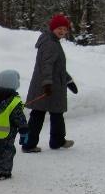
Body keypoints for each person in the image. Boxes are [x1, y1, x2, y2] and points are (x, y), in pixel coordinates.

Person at [23, 14, 78, 152]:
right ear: (53, 28)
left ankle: (55, 141)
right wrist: (47, 84)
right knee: (41, 115)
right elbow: (47, 65)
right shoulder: (50, 44)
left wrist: (68, 80)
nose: (62, 31)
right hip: (47, 86)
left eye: (64, 29)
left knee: (53, 113)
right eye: (59, 28)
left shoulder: (52, 41)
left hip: (50, 85)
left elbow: (57, 68)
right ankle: (30, 144)